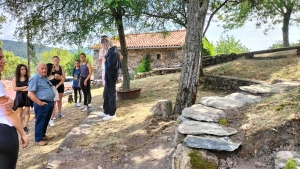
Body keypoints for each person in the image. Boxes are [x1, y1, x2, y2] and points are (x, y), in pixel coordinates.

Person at [0, 48, 29, 168]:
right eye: (0, 58)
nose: (4, 61)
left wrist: (9, 100)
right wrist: (23, 133)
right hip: (4, 131)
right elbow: (8, 113)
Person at [28, 63, 55, 146]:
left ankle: (43, 135)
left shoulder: (45, 78)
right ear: (37, 70)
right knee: (40, 121)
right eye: (42, 68)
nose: (44, 70)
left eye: (45, 68)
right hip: (41, 104)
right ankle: (38, 139)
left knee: (46, 120)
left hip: (49, 102)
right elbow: (30, 94)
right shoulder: (35, 78)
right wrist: (39, 103)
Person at [97, 37, 121, 121]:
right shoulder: (111, 52)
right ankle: (106, 111)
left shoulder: (113, 52)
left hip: (111, 76)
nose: (102, 47)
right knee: (106, 94)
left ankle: (112, 114)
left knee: (111, 95)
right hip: (108, 76)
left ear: (105, 44)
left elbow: (110, 66)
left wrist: (103, 57)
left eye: (102, 45)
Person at [12, 64, 33, 134]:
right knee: (20, 113)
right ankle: (20, 127)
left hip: (27, 96)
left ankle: (25, 126)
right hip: (19, 96)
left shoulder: (28, 77)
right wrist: (24, 87)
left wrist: (21, 88)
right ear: (19, 70)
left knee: (27, 111)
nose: (24, 71)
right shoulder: (15, 78)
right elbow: (15, 88)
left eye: (25, 69)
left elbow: (30, 87)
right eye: (22, 69)